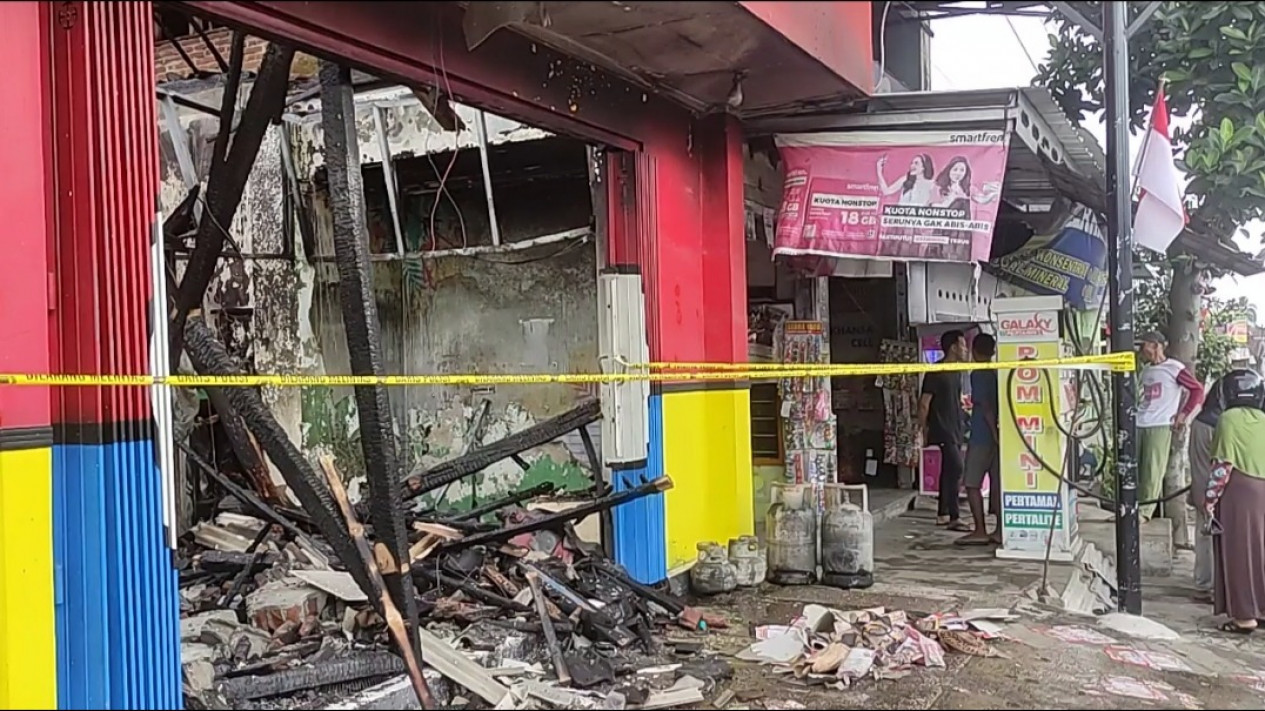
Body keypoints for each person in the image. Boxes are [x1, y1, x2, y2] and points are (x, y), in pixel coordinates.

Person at [1201, 369, 1265, 634]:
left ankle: (1245, 617)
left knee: (1240, 553)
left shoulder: (1228, 420)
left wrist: (1209, 500)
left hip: (1240, 491)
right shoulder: (1263, 419)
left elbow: (1223, 466)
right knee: (1261, 550)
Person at [1136, 331, 1205, 521]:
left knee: (1152, 470)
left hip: (1160, 424)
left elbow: (1197, 390)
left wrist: (1182, 415)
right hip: (1140, 421)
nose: (1141, 350)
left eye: (1144, 345)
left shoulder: (1174, 368)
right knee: (1135, 469)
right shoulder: (1146, 370)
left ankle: (1145, 512)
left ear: (1156, 345)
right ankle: (1132, 509)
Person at [919, 329, 969, 531]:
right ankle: (954, 516)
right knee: (956, 467)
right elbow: (924, 403)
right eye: (963, 345)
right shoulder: (936, 372)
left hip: (956, 427)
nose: (966, 349)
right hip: (942, 428)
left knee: (949, 469)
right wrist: (923, 430)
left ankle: (943, 513)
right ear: (953, 347)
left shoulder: (957, 372)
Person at [956, 333, 1001, 545]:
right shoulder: (996, 372)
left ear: (974, 351)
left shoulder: (979, 374)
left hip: (982, 436)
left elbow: (985, 407)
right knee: (997, 483)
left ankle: (980, 529)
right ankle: (1000, 530)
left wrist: (993, 432)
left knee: (972, 483)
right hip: (995, 437)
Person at [1188, 373, 1225, 602]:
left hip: (1203, 487)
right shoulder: (1224, 424)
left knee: (1204, 535)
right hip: (1217, 491)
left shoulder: (1200, 421)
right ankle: (1211, 585)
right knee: (1211, 535)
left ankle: (1204, 584)